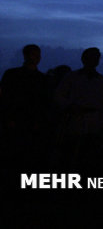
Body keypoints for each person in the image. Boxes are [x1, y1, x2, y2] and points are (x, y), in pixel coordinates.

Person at [53, 47, 103, 174]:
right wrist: (70, 106)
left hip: (92, 121)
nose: (94, 60)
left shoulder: (100, 79)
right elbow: (58, 95)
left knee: (86, 156)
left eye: (96, 58)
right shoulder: (73, 77)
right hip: (75, 120)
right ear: (84, 59)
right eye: (92, 57)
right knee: (70, 154)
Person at [0, 44, 50, 174]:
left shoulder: (40, 78)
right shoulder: (15, 75)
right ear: (26, 55)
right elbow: (5, 98)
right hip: (17, 120)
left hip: (30, 121)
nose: (36, 57)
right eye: (33, 54)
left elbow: (44, 102)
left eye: (37, 55)